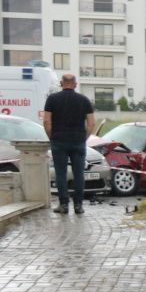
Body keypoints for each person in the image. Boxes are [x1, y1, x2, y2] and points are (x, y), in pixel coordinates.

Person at [43, 73, 95, 214]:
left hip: (59, 141)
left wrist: (52, 137)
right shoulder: (84, 100)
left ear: (61, 83)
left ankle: (64, 205)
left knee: (61, 173)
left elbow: (47, 121)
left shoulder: (52, 99)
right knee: (79, 174)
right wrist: (84, 138)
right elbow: (91, 123)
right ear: (75, 84)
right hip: (78, 141)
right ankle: (78, 206)